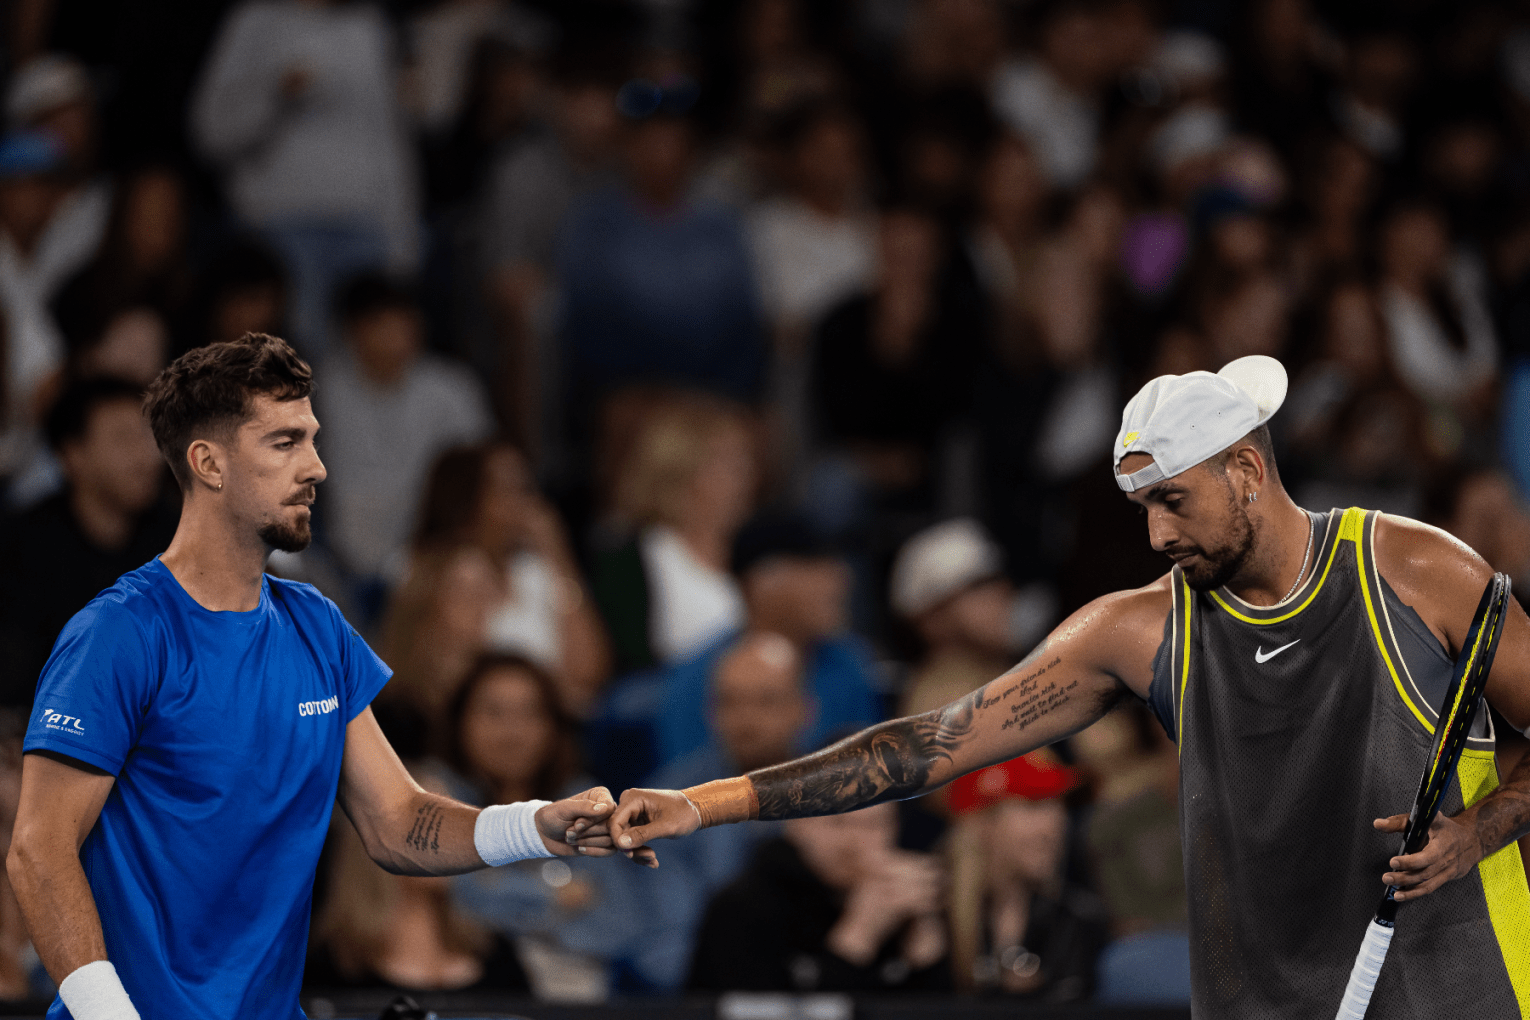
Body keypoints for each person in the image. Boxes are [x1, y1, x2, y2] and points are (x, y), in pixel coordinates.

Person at [611, 353, 1530, 1017]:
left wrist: (1479, 830)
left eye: (1175, 501)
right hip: (1262, 1000)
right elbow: (926, 747)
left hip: (1465, 984)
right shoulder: (1139, 631)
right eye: (1144, 510)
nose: (1157, 536)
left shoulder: (1415, 571)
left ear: (1247, 471)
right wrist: (706, 803)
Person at [4, 333, 633, 1020]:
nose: (318, 468)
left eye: (313, 438)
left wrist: (538, 825)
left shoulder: (317, 625)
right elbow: (39, 850)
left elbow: (397, 822)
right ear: (208, 463)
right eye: (285, 443)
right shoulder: (119, 634)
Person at [0, 376, 177, 707]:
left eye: (148, 437)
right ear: (72, 455)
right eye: (124, 439)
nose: (148, 457)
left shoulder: (176, 533)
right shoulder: (22, 547)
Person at [315, 272, 492, 586]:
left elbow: (477, 478)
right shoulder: (320, 390)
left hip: (436, 556)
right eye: (382, 324)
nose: (398, 335)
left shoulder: (453, 389)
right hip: (345, 561)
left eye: (405, 322)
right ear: (352, 331)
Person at [413, 442, 611, 715]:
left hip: (548, 723)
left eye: (526, 490)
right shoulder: (458, 572)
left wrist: (560, 558)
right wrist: (555, 696)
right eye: (508, 491)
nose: (525, 505)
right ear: (467, 500)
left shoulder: (536, 570)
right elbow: (458, 687)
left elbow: (590, 671)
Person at [688, 798, 951, 993]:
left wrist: (925, 955)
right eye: (836, 821)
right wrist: (858, 936)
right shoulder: (741, 908)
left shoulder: (912, 904)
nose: (853, 842)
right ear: (796, 824)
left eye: (873, 825)